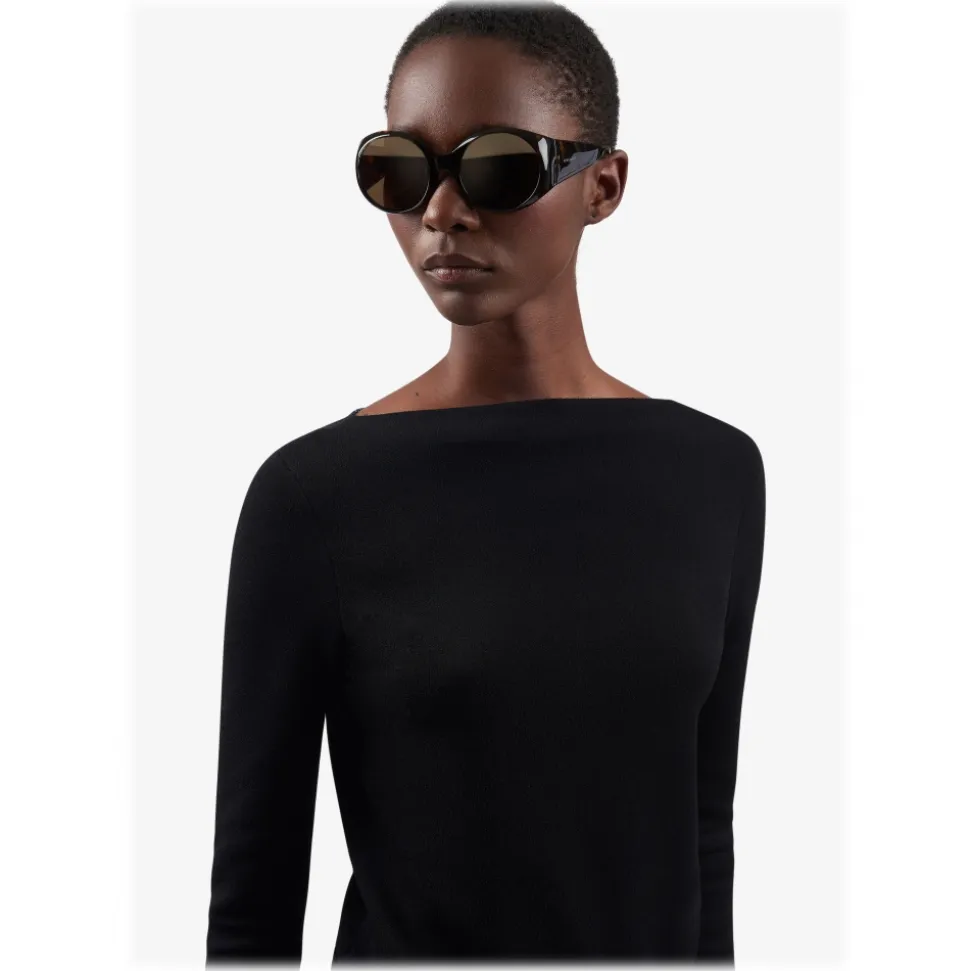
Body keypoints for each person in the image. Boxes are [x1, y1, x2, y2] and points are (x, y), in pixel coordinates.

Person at [206, 2, 766, 965]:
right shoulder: (314, 496)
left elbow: (700, 836)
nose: (440, 212)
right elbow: (253, 905)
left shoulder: (716, 473)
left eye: (498, 167)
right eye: (400, 170)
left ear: (604, 186)